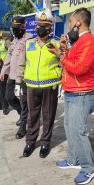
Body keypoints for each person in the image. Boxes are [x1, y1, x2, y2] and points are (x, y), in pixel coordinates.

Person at [48, 8, 94, 185]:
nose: (68, 25)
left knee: (78, 131)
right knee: (69, 127)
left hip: (81, 93)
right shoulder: (77, 42)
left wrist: (62, 56)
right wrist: (62, 49)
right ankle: (73, 159)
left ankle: (89, 168)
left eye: (70, 21)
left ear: (78, 23)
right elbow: (69, 62)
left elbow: (79, 68)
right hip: (71, 91)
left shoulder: (89, 42)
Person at [22, 9, 61, 158]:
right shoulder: (28, 44)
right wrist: (20, 83)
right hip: (31, 86)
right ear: (35, 26)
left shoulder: (57, 44)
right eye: (39, 25)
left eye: (45, 25)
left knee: (48, 115)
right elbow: (23, 64)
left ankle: (45, 142)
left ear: (50, 27)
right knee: (32, 116)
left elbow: (64, 61)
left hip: (50, 86)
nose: (41, 28)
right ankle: (30, 142)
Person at [0, 16, 31, 139]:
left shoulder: (29, 39)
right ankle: (22, 114)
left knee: (24, 100)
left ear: (23, 26)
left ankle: (23, 125)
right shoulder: (14, 41)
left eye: (17, 28)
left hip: (23, 76)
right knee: (9, 97)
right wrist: (3, 70)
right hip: (12, 75)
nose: (15, 30)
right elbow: (9, 56)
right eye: (13, 28)